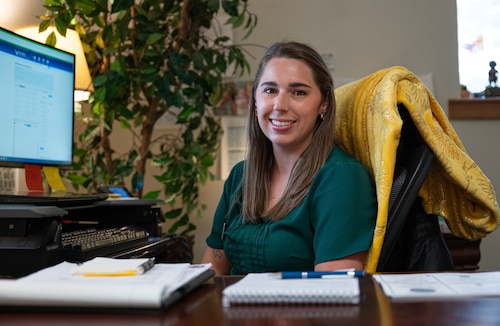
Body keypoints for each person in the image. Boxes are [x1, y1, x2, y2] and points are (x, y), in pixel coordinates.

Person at [201, 41, 377, 275]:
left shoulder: (342, 177)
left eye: (299, 92)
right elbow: (212, 270)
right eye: (270, 90)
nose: (280, 105)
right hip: (231, 309)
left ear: (323, 104)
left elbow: (334, 294)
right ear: (255, 101)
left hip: (302, 311)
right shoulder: (239, 176)